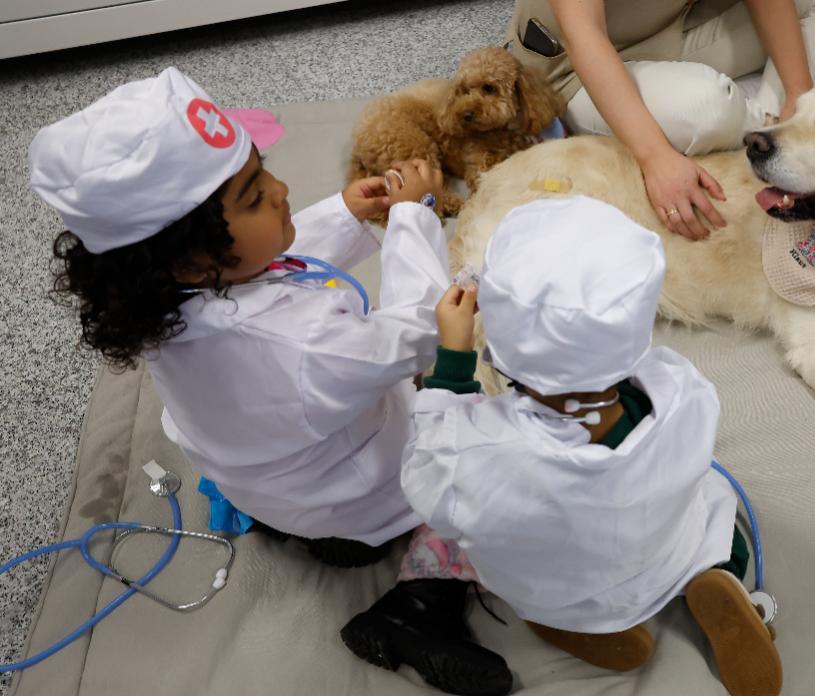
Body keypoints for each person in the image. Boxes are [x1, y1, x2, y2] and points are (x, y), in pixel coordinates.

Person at [31, 67, 512, 696]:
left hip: (270, 481)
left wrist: (345, 212)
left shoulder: (167, 297)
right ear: (191, 255)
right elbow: (419, 328)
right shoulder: (301, 342)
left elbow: (270, 265)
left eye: (265, 173)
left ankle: (304, 530)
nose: (284, 190)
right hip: (358, 497)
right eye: (256, 197)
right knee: (487, 465)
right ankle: (421, 606)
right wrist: (413, 218)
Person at [390, 196, 782, 695]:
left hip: (569, 588)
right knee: (714, 520)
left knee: (496, 553)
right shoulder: (679, 389)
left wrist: (451, 367)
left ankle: (582, 625)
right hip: (666, 547)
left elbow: (426, 479)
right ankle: (719, 574)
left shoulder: (480, 454)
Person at [506, 0, 815, 240]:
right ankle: (756, 123)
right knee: (707, 110)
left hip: (677, 26)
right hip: (571, 65)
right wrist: (655, 159)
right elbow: (583, 32)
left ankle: (775, 126)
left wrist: (800, 96)